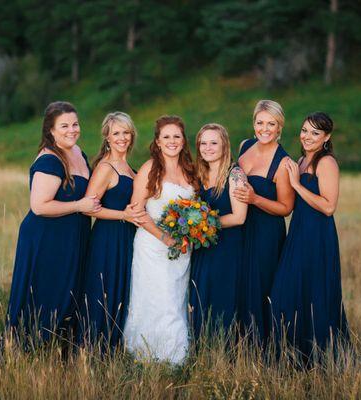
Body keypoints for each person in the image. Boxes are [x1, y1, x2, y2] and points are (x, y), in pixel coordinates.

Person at [7, 101, 101, 342]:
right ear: (50, 130)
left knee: (68, 293)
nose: (72, 130)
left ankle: (59, 350)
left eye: (75, 124)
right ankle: (26, 349)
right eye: (64, 126)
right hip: (47, 237)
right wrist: (79, 206)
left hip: (72, 235)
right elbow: (39, 206)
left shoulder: (78, 152)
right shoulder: (50, 160)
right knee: (46, 293)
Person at [270, 112, 350, 364]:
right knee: (287, 292)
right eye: (305, 130)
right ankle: (294, 355)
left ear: (327, 137)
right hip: (298, 232)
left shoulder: (326, 163)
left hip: (318, 236)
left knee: (314, 293)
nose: (307, 136)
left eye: (315, 132)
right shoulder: (301, 160)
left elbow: (328, 207)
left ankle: (320, 356)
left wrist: (296, 184)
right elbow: (291, 204)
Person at [123, 115, 198, 364]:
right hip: (152, 247)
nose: (172, 141)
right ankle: (151, 356)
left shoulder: (190, 171)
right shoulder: (149, 169)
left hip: (182, 249)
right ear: (157, 141)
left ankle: (177, 356)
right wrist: (166, 238)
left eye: (177, 136)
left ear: (183, 140)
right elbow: (136, 211)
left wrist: (193, 231)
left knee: (177, 299)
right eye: (166, 137)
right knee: (157, 298)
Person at [78, 112, 145, 351]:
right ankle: (92, 351)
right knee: (103, 292)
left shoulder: (129, 167)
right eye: (116, 133)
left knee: (120, 291)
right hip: (107, 238)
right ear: (107, 136)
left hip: (127, 238)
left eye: (126, 132)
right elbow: (88, 208)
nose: (122, 137)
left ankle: (113, 349)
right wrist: (123, 215)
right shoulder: (106, 167)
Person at [233, 100, 294, 344]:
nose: (265, 129)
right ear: (254, 123)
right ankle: (235, 341)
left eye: (272, 124)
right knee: (239, 283)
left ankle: (260, 345)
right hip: (239, 227)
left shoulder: (283, 162)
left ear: (280, 128)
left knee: (260, 286)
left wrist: (255, 198)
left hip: (266, 232)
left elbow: (286, 208)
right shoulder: (244, 146)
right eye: (260, 122)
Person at [189, 123, 247, 339]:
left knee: (222, 297)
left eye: (214, 143)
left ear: (224, 145)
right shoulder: (198, 175)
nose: (208, 148)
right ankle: (201, 348)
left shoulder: (235, 174)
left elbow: (239, 217)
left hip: (226, 247)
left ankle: (224, 350)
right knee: (201, 295)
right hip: (202, 247)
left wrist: (204, 225)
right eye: (203, 143)